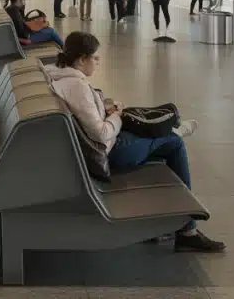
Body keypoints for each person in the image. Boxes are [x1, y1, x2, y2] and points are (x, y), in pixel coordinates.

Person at [47, 32, 224, 252]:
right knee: (172, 145)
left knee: (160, 145)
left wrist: (105, 108)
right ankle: (187, 231)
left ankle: (165, 223)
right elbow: (101, 134)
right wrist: (116, 117)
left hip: (102, 146)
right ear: (81, 59)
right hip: (111, 151)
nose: (98, 61)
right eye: (95, 57)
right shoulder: (77, 86)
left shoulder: (61, 77)